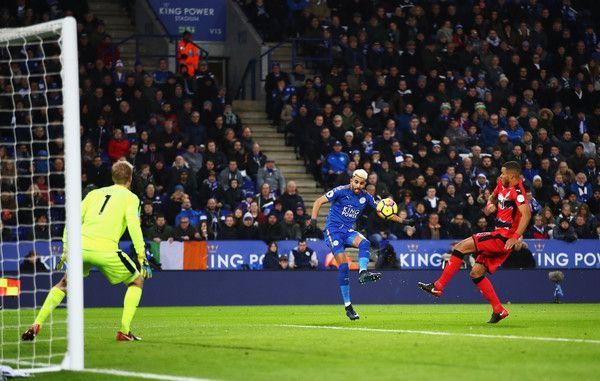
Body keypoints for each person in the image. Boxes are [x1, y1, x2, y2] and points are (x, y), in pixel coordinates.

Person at [23, 161, 152, 342]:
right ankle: (124, 331)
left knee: (63, 284)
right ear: (130, 179)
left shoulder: (94, 194)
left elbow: (72, 218)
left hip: (80, 248)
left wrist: (67, 247)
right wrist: (141, 255)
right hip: (106, 249)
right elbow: (133, 226)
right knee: (136, 281)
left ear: (113, 177)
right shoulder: (131, 198)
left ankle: (36, 324)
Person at [418, 161, 531, 323]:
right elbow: (492, 198)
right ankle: (499, 310)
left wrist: (516, 236)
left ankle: (438, 286)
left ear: (512, 176)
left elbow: (526, 215)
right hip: (497, 234)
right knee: (476, 273)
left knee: (459, 248)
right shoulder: (501, 184)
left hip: (503, 238)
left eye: (504, 173)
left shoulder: (518, 191)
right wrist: (490, 205)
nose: (500, 175)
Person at [306, 168, 404, 320]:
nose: (358, 185)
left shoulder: (366, 196)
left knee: (365, 243)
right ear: (351, 180)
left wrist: (403, 221)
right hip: (333, 232)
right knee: (344, 266)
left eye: (361, 183)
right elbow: (319, 201)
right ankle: (348, 306)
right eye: (356, 182)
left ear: (365, 184)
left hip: (347, 231)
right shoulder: (340, 191)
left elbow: (383, 211)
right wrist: (313, 220)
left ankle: (363, 272)